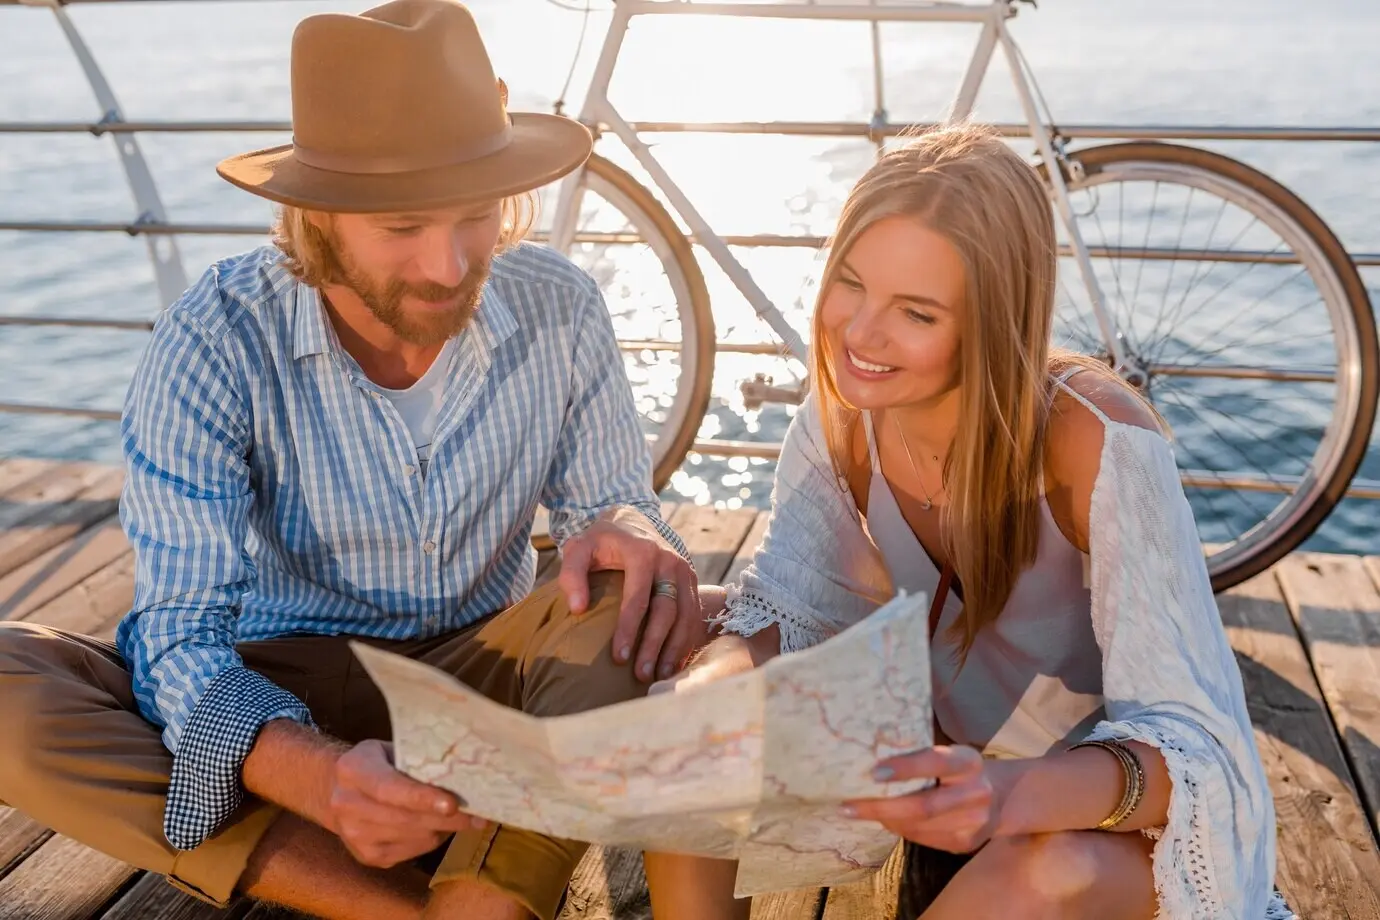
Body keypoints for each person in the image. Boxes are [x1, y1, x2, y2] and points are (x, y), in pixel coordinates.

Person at [0, 2, 708, 919]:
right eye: (404, 226)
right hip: (282, 685)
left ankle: (474, 889)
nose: (450, 265)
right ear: (319, 216)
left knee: (630, 597)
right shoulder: (216, 336)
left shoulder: (560, 305)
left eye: (478, 216)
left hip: (486, 677)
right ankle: (431, 900)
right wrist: (316, 775)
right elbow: (178, 630)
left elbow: (613, 507)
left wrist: (626, 524)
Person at [646, 124, 1290, 920]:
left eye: (916, 313)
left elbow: (1198, 751)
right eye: (850, 283)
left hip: (1093, 822)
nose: (859, 334)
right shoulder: (845, 413)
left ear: (992, 320)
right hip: (953, 792)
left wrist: (1008, 794)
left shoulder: (1095, 441)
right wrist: (706, 691)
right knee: (692, 716)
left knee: (1044, 869)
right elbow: (793, 607)